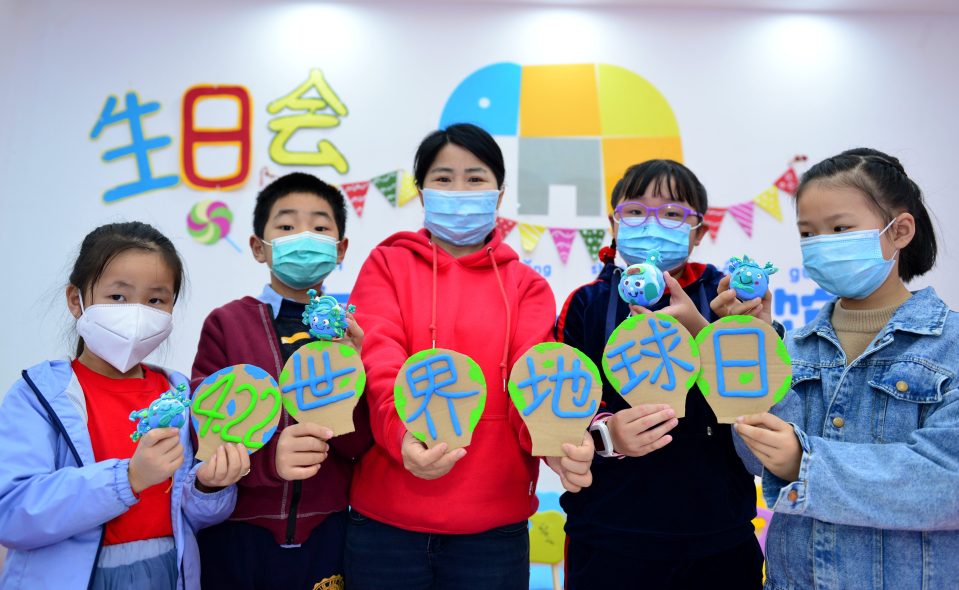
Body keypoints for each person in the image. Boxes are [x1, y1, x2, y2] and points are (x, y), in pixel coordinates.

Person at [344, 123, 594, 590]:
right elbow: (380, 361)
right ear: (422, 192)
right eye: (443, 178)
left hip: (493, 532)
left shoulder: (527, 285)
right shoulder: (387, 265)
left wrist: (555, 443)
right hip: (385, 527)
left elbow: (532, 382)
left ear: (498, 194)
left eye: (475, 178)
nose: (459, 190)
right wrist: (401, 438)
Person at [735, 148, 959, 589]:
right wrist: (754, 345)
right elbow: (753, 457)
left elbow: (946, 482)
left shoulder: (950, 346)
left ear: (900, 231)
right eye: (808, 233)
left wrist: (807, 462)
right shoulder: (791, 347)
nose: (821, 244)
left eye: (840, 228)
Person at [0, 221, 244, 590]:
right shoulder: (38, 396)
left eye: (155, 300)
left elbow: (188, 517)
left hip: (168, 573)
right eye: (118, 297)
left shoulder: (177, 392)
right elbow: (12, 514)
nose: (136, 313)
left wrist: (210, 488)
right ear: (75, 300)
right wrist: (128, 478)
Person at [558, 160, 766, 589]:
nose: (652, 223)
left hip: (717, 532)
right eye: (635, 211)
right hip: (609, 531)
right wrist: (607, 434)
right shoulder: (586, 303)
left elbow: (756, 399)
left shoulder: (726, 297)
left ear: (699, 231)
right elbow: (563, 402)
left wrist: (705, 330)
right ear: (613, 224)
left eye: (672, 214)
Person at [191, 173, 370, 590]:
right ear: (259, 247)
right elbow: (204, 435)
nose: (304, 237)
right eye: (287, 227)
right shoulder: (226, 324)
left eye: (321, 227)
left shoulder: (349, 333)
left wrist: (354, 374)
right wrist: (270, 459)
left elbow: (358, 444)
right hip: (237, 531)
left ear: (340, 249)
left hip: (327, 532)